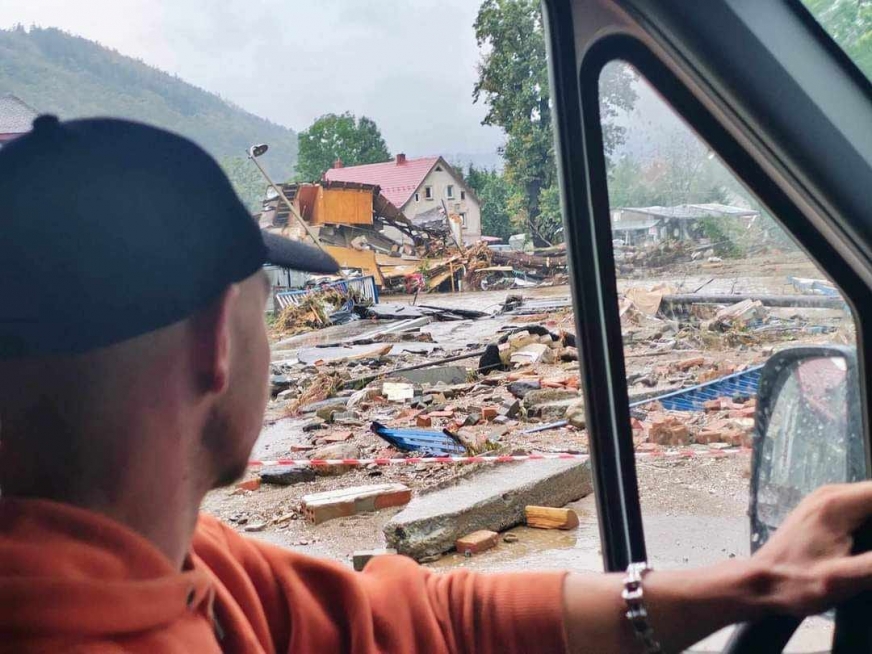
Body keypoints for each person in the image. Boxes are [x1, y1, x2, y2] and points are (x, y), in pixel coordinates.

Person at [2, 117, 872, 654]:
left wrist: (751, 585)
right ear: (210, 346)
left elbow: (429, 622)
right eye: (263, 307)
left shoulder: (182, 560)